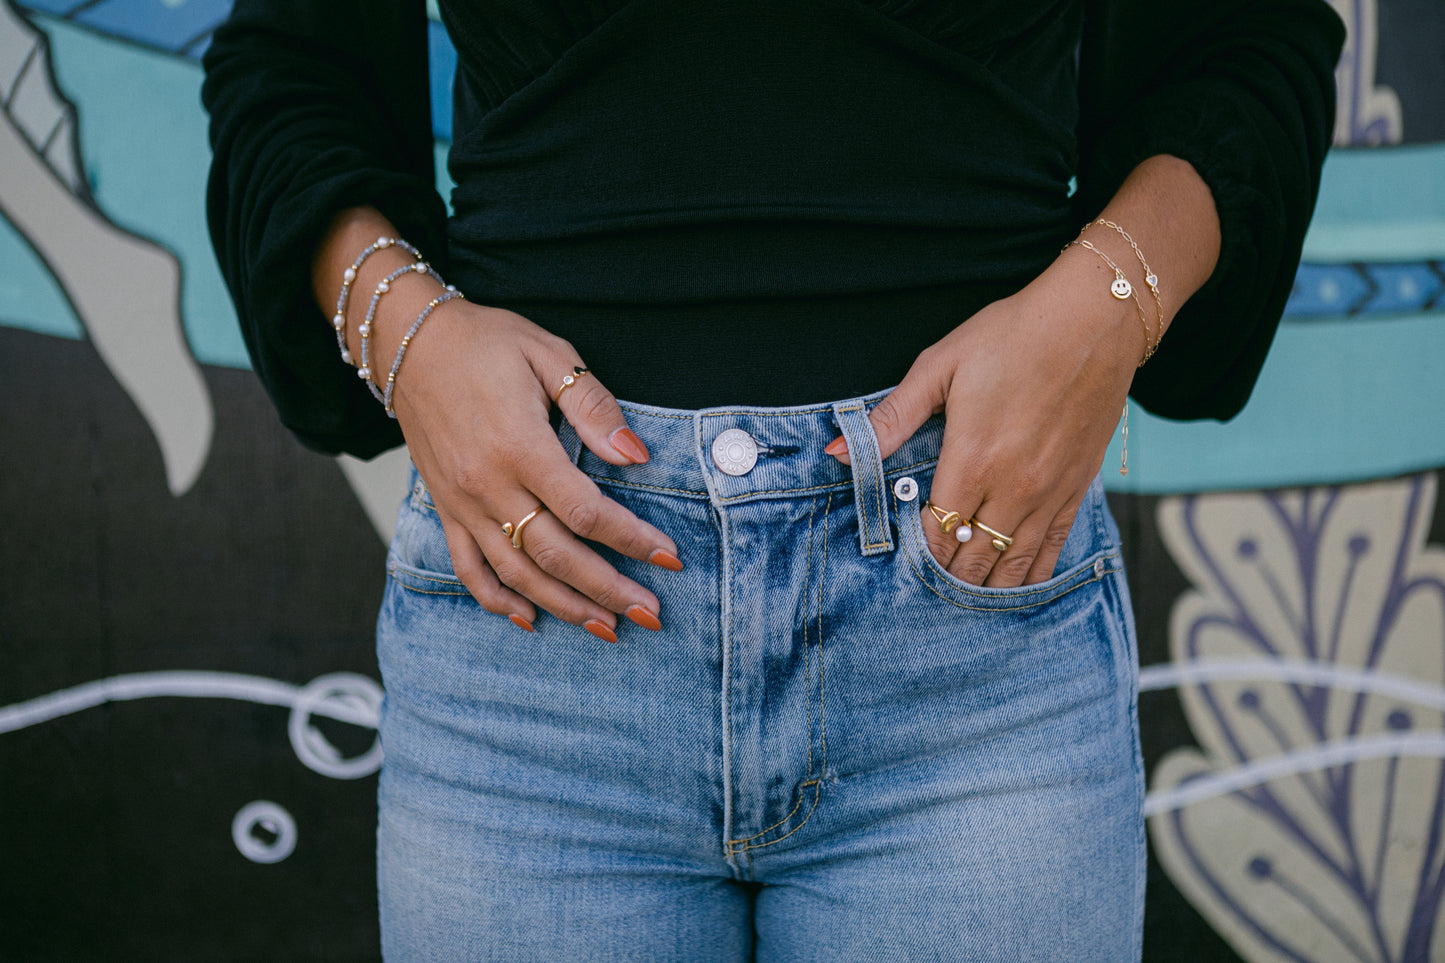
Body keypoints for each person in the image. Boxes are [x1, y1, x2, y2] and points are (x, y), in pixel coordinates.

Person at [203, 1, 1342, 959]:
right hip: (543, 643)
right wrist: (413, 343)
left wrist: (1106, 308)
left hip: (966, 613)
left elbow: (1242, 46)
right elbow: (292, 70)